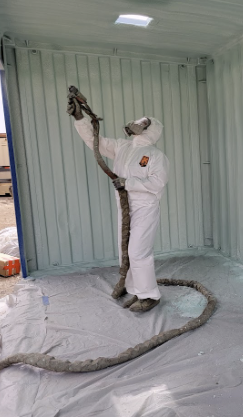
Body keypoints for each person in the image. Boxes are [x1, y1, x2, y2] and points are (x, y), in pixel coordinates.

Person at [67, 93, 170, 313]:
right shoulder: (123, 147)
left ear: (150, 130)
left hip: (145, 208)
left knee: (138, 252)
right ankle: (136, 289)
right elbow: (96, 142)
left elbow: (157, 183)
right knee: (126, 250)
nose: (135, 124)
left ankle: (150, 295)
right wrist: (80, 119)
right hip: (124, 207)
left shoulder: (155, 155)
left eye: (142, 123)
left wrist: (128, 182)